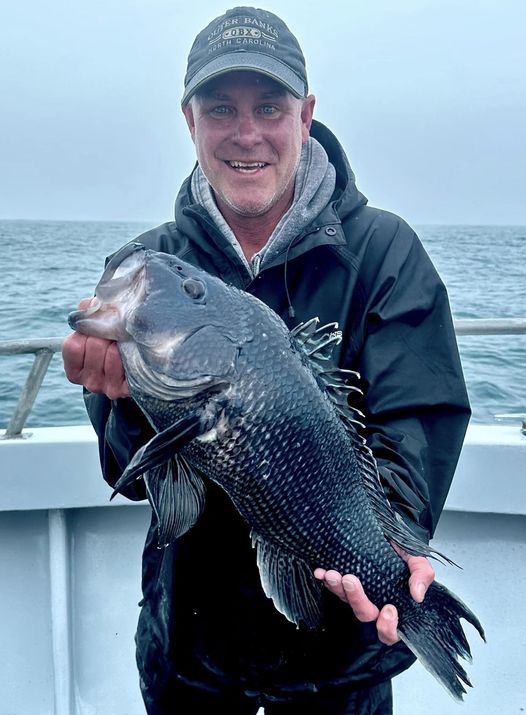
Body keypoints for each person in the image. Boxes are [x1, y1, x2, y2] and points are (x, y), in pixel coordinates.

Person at [63, 6, 471, 714]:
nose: (246, 133)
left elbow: (419, 417)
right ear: (189, 121)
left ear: (305, 115)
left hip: (340, 668)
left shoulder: (385, 254)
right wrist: (125, 401)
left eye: (270, 107)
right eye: (221, 108)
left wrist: (385, 545)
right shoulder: (148, 268)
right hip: (187, 660)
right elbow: (133, 477)